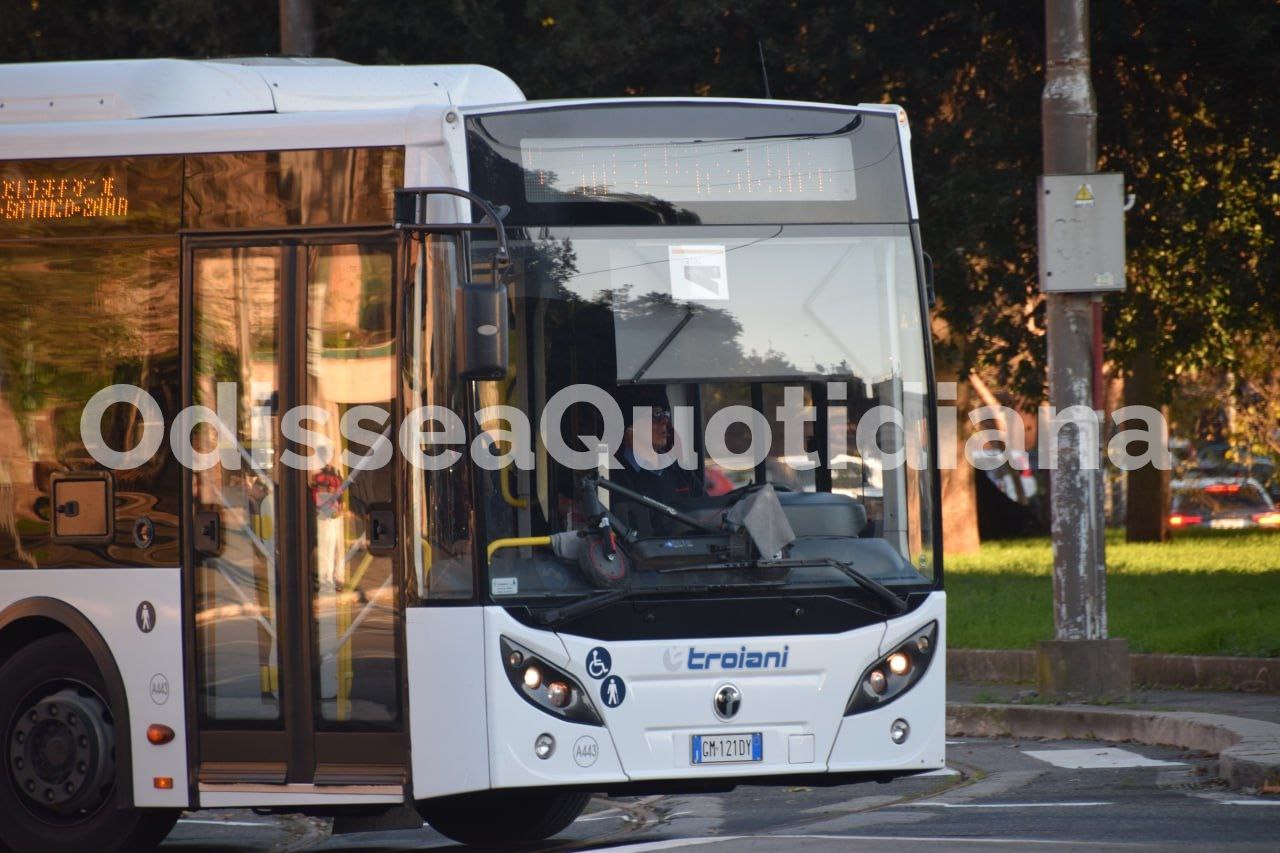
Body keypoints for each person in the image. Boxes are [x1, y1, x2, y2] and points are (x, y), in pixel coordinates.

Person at [609, 387, 702, 534]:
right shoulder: (610, 480)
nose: (665, 421)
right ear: (629, 429)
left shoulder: (681, 472)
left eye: (666, 413)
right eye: (655, 415)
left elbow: (709, 515)